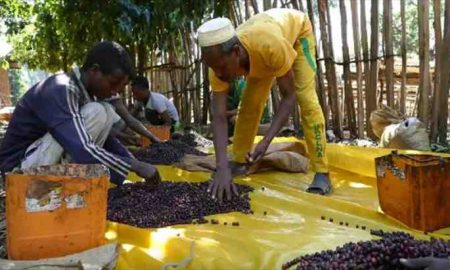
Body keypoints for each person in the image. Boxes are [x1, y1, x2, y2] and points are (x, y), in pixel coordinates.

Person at [197, 8, 331, 201]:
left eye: (221, 67)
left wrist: (265, 142)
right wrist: (222, 166)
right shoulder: (218, 65)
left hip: (297, 35)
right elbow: (218, 116)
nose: (218, 73)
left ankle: (322, 171)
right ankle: (240, 160)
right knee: (249, 104)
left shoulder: (268, 46)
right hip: (263, 48)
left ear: (235, 52)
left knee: (306, 99)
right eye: (212, 68)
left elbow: (289, 96)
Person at [0, 41, 160, 185]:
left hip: (39, 159)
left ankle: (69, 183)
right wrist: (135, 166)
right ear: (95, 70)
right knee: (98, 111)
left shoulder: (83, 94)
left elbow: (106, 142)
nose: (115, 91)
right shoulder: (63, 89)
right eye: (113, 83)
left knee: (106, 110)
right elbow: (82, 148)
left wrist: (133, 164)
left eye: (121, 86)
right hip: (18, 171)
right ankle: (62, 187)